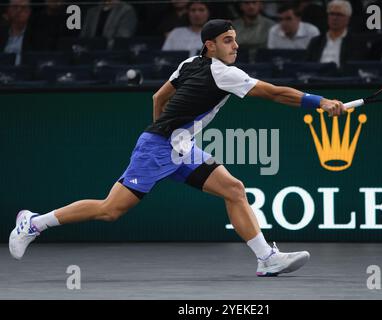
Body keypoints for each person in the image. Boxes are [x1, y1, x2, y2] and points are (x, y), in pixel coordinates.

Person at [9, 19, 346, 277]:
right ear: (210, 45)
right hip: (158, 149)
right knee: (111, 210)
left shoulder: (188, 64)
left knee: (233, 189)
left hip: (177, 146)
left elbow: (159, 98)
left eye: (236, 40)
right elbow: (275, 93)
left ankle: (266, 259)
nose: (236, 46)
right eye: (228, 41)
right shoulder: (224, 73)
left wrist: (175, 136)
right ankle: (35, 223)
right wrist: (321, 102)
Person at [306, 0, 362, 68]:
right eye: (332, 14)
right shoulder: (316, 42)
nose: (334, 18)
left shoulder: (356, 43)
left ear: (348, 19)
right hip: (318, 76)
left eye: (339, 15)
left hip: (342, 77)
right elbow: (307, 66)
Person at [0, 0, 38, 65]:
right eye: (15, 7)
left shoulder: (36, 35)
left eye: (23, 7)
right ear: (8, 10)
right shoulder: (1, 32)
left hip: (24, 73)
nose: (19, 11)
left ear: (29, 12)